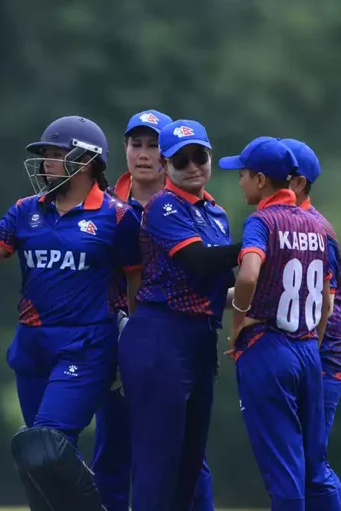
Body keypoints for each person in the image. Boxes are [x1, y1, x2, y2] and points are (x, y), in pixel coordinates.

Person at [0, 115, 142, 510]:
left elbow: (136, 279)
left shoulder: (118, 216)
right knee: (34, 456)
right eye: (46, 154)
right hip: (32, 346)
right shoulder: (26, 210)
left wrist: (136, 341)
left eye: (56, 154)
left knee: (49, 445)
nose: (46, 163)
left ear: (86, 161)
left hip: (86, 345)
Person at [118, 120, 239, 510]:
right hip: (160, 335)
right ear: (165, 164)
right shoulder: (163, 206)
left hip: (200, 337)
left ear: (210, 157)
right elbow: (198, 261)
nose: (192, 167)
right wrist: (260, 244)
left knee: (189, 464)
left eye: (198, 156)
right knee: (158, 464)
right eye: (180, 160)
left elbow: (221, 284)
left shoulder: (216, 213)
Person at [97, 110, 215, 511]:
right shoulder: (103, 205)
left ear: (167, 156)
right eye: (136, 144)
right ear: (125, 148)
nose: (143, 154)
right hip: (114, 334)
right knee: (113, 447)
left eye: (153, 145)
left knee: (186, 458)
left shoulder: (197, 205)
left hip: (171, 341)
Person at [220, 136, 341, 510]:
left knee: (284, 474)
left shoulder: (261, 221)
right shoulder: (317, 225)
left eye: (243, 174)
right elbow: (326, 300)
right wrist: (312, 342)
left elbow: (248, 275)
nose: (239, 181)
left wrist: (238, 322)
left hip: (269, 349)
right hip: (308, 350)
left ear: (260, 180)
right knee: (313, 469)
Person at [281, 138, 341, 510]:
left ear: (297, 183)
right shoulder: (283, 224)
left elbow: (324, 306)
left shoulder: (316, 230)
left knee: (312, 465)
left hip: (323, 361)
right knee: (306, 464)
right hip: (303, 358)